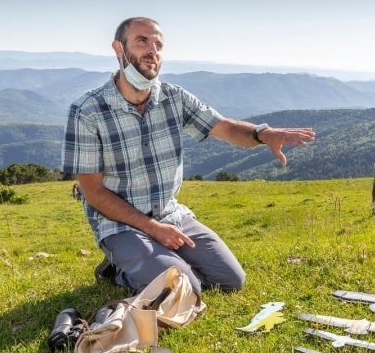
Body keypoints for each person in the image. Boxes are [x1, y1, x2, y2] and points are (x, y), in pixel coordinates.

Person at [62, 17, 315, 294]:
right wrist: (153, 229)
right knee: (184, 287)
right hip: (119, 224)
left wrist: (262, 133)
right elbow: (94, 193)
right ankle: (120, 269)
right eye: (142, 41)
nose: (152, 50)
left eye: (158, 44)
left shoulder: (174, 98)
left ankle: (157, 262)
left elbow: (225, 127)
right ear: (118, 49)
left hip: (170, 215)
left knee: (231, 280)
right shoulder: (88, 111)